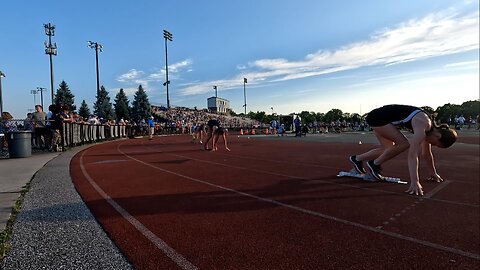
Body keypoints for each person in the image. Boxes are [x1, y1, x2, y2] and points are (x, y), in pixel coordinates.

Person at [349, 104, 457, 196]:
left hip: (381, 117)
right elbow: (412, 155)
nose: (433, 145)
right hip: (378, 117)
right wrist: (415, 182)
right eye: (436, 144)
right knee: (404, 144)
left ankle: (357, 159)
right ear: (438, 136)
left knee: (389, 149)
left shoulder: (429, 131)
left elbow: (427, 154)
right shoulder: (423, 124)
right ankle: (374, 164)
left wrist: (433, 172)